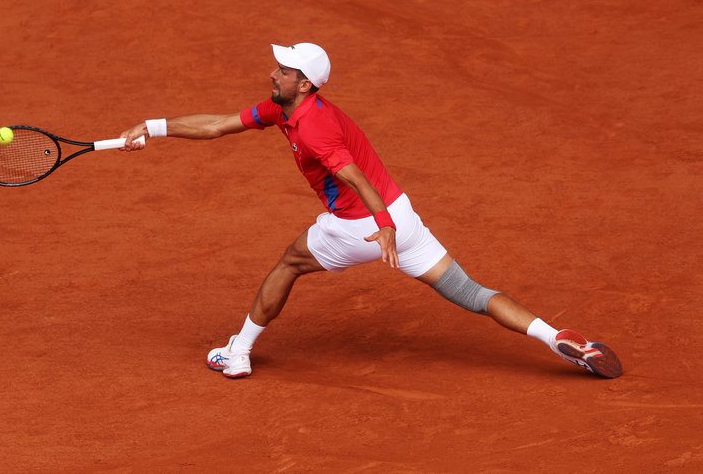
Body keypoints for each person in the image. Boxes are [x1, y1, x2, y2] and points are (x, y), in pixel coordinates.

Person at [120, 42, 623, 380]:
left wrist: (380, 229)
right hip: (402, 215)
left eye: (285, 70)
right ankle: (559, 338)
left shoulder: (315, 128)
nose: (274, 72)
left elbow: (353, 177)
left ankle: (238, 353)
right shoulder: (284, 108)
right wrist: (153, 125)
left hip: (363, 225)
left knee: (290, 263)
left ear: (305, 84)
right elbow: (217, 125)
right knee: (470, 291)